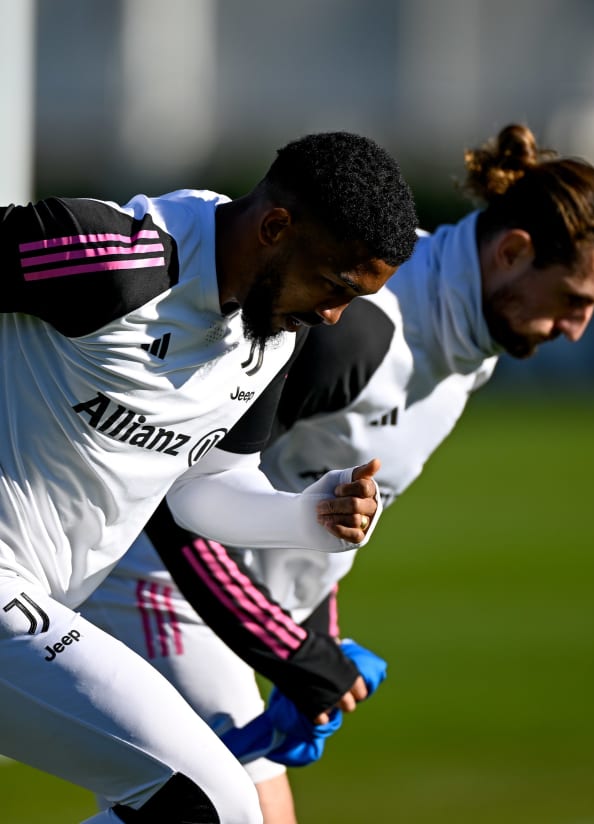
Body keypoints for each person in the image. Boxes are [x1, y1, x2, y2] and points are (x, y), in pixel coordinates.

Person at [82, 123, 594, 822]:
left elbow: (310, 509)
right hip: (144, 572)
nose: (576, 328)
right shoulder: (357, 327)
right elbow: (176, 485)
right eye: (574, 300)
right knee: (243, 815)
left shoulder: (467, 356)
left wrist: (318, 640)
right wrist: (291, 652)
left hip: (212, 602)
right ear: (514, 251)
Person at [0, 130, 418, 824]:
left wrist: (305, 516)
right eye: (337, 285)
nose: (333, 314)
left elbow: (199, 488)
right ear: (276, 228)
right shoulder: (111, 258)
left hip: (40, 602)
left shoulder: (273, 330)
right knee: (216, 804)